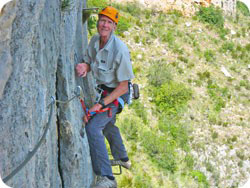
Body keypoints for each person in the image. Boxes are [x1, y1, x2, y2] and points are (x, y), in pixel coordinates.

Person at [76, 6, 134, 188]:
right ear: (98, 21)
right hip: (105, 90)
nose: (104, 25)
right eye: (102, 20)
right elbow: (91, 60)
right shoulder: (95, 41)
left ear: (114, 27)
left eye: (109, 22)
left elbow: (123, 85)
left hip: (118, 94)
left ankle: (107, 178)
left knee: (93, 127)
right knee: (107, 124)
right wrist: (86, 66)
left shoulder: (120, 50)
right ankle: (122, 158)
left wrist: (100, 104)